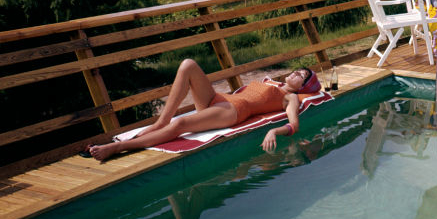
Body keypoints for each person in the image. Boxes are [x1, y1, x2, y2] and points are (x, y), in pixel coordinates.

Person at [85, 60, 318, 161]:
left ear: (303, 87)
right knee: (187, 65)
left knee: (181, 125)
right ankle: (158, 124)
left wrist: (274, 132)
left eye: (303, 76)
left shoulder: (290, 98)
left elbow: (294, 125)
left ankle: (116, 147)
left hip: (235, 110)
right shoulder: (270, 81)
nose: (298, 73)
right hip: (222, 99)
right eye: (298, 70)